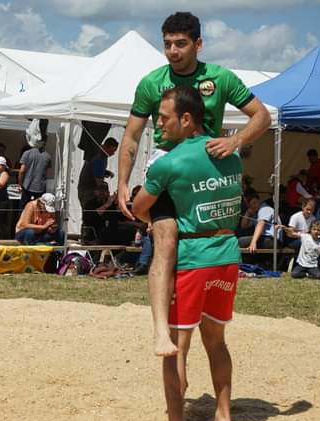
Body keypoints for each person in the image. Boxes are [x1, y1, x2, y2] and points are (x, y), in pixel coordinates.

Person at [116, 12, 271, 352]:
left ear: (198, 44)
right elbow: (131, 136)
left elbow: (262, 116)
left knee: (213, 241)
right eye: (167, 44)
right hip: (167, 166)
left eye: (181, 44)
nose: (173, 51)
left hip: (208, 168)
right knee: (166, 239)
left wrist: (236, 141)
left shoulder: (220, 78)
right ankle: (161, 331)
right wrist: (122, 183)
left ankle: (204, 308)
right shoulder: (150, 83)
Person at [131, 85, 243, 421]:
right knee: (217, 342)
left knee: (174, 347)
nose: (159, 124)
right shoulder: (231, 155)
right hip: (227, 255)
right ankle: (223, 416)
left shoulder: (170, 162)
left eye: (164, 118)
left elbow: (140, 207)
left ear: (187, 118)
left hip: (193, 258)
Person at [78, 137, 118, 209]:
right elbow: (99, 183)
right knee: (92, 215)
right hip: (89, 193)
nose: (113, 153)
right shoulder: (100, 158)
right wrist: (109, 198)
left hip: (84, 190)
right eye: (113, 150)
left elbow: (92, 169)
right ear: (106, 147)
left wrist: (106, 172)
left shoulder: (97, 152)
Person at [18, 136, 52, 208]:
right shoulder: (48, 156)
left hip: (27, 186)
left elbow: (22, 170)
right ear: (45, 143)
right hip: (41, 187)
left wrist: (20, 184)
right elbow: (48, 174)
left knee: (24, 209)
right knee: (38, 210)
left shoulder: (27, 153)